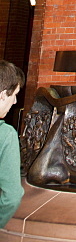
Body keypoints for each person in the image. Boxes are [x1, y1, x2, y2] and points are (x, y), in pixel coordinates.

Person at [0, 60, 24, 229]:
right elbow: (12, 196)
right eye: (14, 95)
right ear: (2, 95)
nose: (15, 101)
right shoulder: (6, 135)